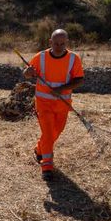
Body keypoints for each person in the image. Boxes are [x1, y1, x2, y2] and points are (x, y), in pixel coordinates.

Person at [23, 28, 85, 182]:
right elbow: (27, 73)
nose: (59, 46)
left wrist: (61, 89)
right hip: (43, 103)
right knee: (49, 133)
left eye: (62, 44)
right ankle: (47, 167)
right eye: (56, 43)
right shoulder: (40, 57)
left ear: (67, 43)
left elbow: (79, 79)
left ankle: (39, 149)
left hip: (62, 104)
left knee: (56, 132)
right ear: (50, 42)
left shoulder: (73, 59)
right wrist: (29, 72)